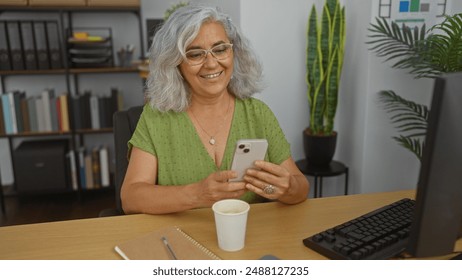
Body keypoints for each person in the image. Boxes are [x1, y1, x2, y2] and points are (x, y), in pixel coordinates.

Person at [121, 4, 309, 214]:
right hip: (180, 239)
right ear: (175, 63)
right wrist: (197, 194)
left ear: (234, 53)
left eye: (220, 49)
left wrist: (287, 188)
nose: (211, 64)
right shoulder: (156, 117)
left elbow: (301, 188)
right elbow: (131, 198)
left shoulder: (258, 113)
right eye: (194, 54)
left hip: (249, 238)